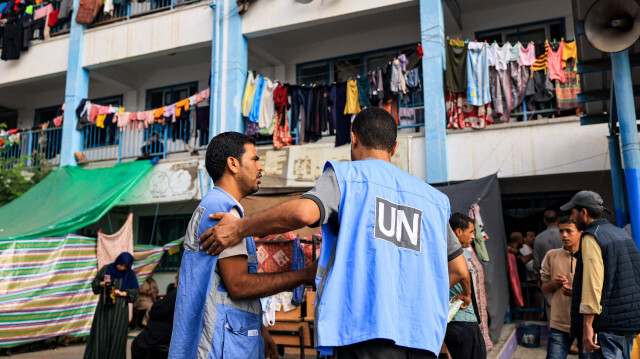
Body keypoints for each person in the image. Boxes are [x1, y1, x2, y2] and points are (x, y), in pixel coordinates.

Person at [199, 107, 471, 358]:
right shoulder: (434, 200)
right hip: (423, 338)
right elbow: (459, 269)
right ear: (395, 147)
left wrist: (240, 228)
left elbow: (303, 214)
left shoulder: (346, 176)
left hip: (361, 334)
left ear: (353, 139)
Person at [168, 132, 317, 359]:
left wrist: (261, 331)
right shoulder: (224, 209)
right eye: (255, 159)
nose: (260, 168)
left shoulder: (215, 204)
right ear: (233, 164)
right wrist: (303, 275)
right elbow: (238, 285)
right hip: (220, 346)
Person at [561, 191, 640, 359]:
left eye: (572, 213)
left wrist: (587, 325)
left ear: (584, 212)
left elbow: (592, 283)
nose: (571, 218)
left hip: (607, 325)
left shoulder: (592, 236)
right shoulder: (621, 233)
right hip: (628, 321)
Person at [540, 217, 586, 359]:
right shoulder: (551, 256)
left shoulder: (589, 256)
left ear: (580, 233)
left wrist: (577, 292)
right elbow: (544, 289)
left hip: (587, 323)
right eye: (561, 231)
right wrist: (554, 283)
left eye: (569, 231)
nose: (564, 235)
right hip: (559, 324)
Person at [445, 213, 487, 359]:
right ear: (458, 232)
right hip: (462, 319)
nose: (473, 236)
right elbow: (462, 273)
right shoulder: (455, 255)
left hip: (452, 320)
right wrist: (466, 294)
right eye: (470, 232)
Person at [83, 252, 139, 359]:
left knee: (117, 338)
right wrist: (102, 284)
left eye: (125, 266)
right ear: (117, 261)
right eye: (121, 265)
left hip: (120, 311)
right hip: (104, 309)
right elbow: (94, 285)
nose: (122, 268)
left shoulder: (129, 274)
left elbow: (135, 293)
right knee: (100, 336)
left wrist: (122, 293)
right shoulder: (106, 269)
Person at [131, 275, 178, 359]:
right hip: (172, 330)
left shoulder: (176, 295)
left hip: (165, 332)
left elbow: (158, 310)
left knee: (137, 345)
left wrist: (159, 301)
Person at [533, 210, 563, 319]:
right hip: (566, 275)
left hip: (547, 277)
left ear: (544, 221)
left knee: (551, 308)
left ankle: (554, 333)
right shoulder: (565, 234)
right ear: (558, 219)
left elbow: (536, 261)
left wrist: (538, 278)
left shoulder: (539, 238)